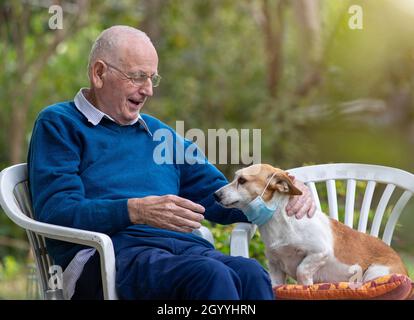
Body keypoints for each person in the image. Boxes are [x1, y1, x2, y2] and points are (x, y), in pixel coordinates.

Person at [28, 25, 315, 300]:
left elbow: (221, 196)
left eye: (152, 78)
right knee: (209, 275)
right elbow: (57, 210)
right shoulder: (59, 124)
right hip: (108, 257)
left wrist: (279, 194)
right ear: (99, 73)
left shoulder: (160, 134)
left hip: (182, 251)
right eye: (138, 76)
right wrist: (135, 210)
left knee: (251, 273)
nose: (148, 90)